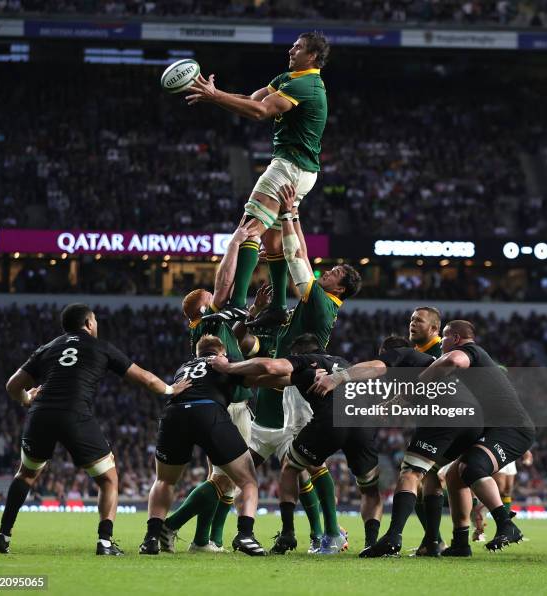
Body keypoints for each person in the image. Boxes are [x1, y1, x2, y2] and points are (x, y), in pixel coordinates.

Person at [0, 303, 190, 556]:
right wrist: (171, 389)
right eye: (95, 320)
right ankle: (104, 542)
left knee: (26, 475)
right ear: (88, 323)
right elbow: (146, 379)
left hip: (40, 414)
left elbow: (12, 386)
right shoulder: (101, 347)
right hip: (75, 414)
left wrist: (27, 398)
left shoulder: (48, 348)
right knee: (108, 479)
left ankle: (2, 536)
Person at [241, 185, 362, 551]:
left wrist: (290, 215)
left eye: (335, 271)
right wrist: (290, 216)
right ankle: (317, 533)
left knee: (310, 462)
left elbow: (297, 261)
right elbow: (304, 255)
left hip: (305, 382)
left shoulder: (323, 303)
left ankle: (332, 532)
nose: (327, 271)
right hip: (297, 378)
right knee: (302, 462)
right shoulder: (320, 300)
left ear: (340, 286)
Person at [186, 32, 330, 327]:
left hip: (288, 166)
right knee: (272, 239)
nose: (291, 48)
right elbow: (252, 100)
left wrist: (215, 97)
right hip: (302, 171)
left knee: (248, 230)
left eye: (299, 46)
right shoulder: (289, 78)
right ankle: (278, 305)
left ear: (313, 56)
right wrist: (217, 95)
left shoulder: (307, 85)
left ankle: (237, 303)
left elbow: (261, 112)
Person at [310, 335, 482, 558]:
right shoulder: (427, 363)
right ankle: (441, 541)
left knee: (410, 473)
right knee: (433, 475)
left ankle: (393, 537)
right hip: (473, 419)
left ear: (386, 352)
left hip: (446, 415)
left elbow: (375, 367)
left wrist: (338, 377)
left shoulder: (401, 355)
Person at [211, 332, 380, 555]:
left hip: (331, 421)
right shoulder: (342, 363)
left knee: (291, 467)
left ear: (298, 354)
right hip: (362, 423)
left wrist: (229, 368)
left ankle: (297, 532)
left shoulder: (303, 362)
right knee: (368, 487)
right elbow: (377, 367)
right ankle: (371, 544)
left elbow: (272, 369)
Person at [160, 221, 259, 553]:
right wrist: (237, 242)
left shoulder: (215, 328)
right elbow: (226, 283)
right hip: (226, 404)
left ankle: (207, 540)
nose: (218, 297)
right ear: (201, 308)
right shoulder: (208, 321)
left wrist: (254, 316)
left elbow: (243, 339)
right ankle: (170, 526)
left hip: (218, 401)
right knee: (228, 477)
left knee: (222, 479)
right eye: (209, 298)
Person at [139, 335, 266, 557]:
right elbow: (258, 377)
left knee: (164, 480)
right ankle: (245, 534)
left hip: (174, 414)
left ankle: (151, 539)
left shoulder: (184, 367)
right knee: (247, 480)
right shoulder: (224, 364)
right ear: (221, 353)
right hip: (209, 412)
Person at [419, 320, 536, 556]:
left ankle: (506, 525)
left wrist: (422, 379)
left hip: (512, 428)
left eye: (444, 337)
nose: (441, 343)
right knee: (454, 477)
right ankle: (461, 543)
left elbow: (453, 360)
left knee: (472, 467)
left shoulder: (470, 352)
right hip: (493, 429)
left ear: (456, 338)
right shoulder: (473, 363)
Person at [408, 307, 446, 554]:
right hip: (433, 423)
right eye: (411, 320)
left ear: (434, 329)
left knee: (418, 478)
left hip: (449, 424)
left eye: (418, 321)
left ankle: (435, 541)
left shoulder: (444, 352)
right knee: (422, 481)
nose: (412, 324)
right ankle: (434, 540)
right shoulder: (417, 353)